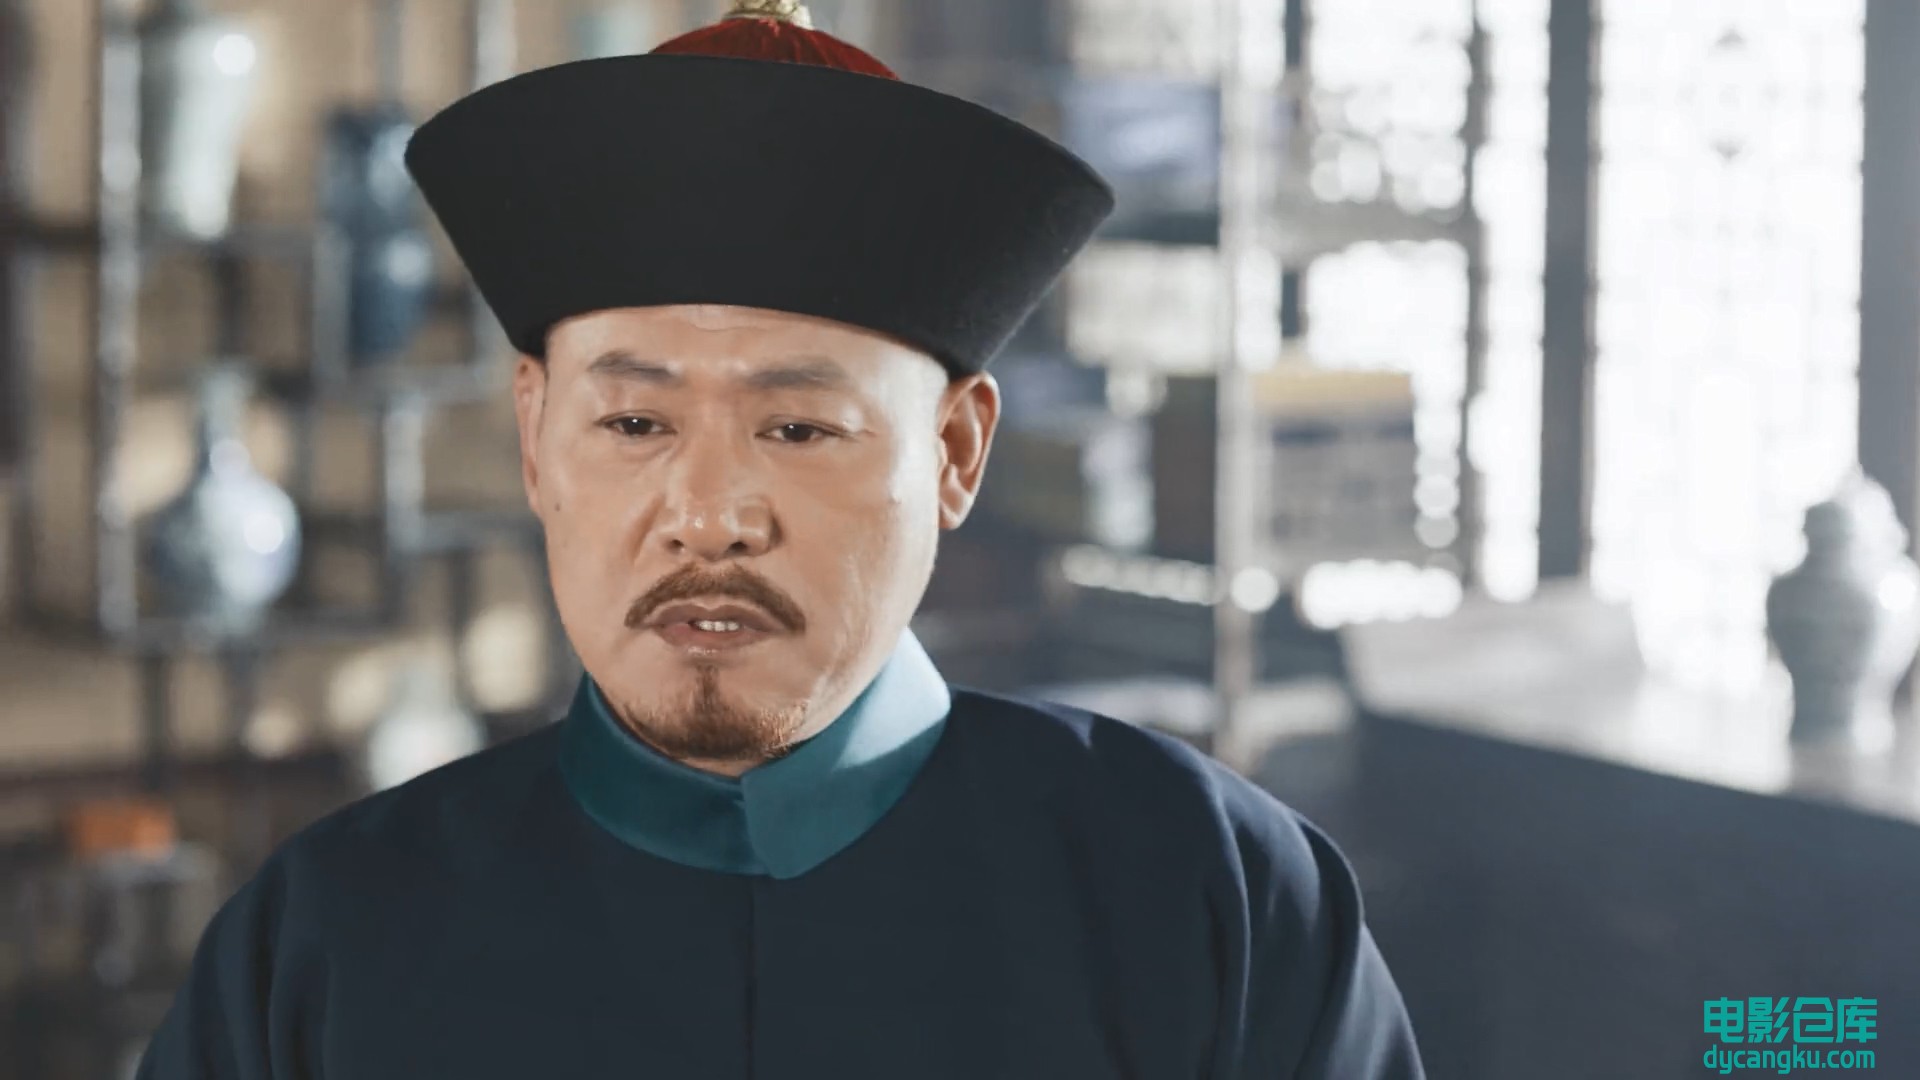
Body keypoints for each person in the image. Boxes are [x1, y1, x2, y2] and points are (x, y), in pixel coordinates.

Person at [136, 2, 1427, 1076]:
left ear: (954, 452)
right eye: (634, 422)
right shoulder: (326, 942)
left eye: (800, 428)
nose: (709, 515)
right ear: (536, 439)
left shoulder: (1206, 893)